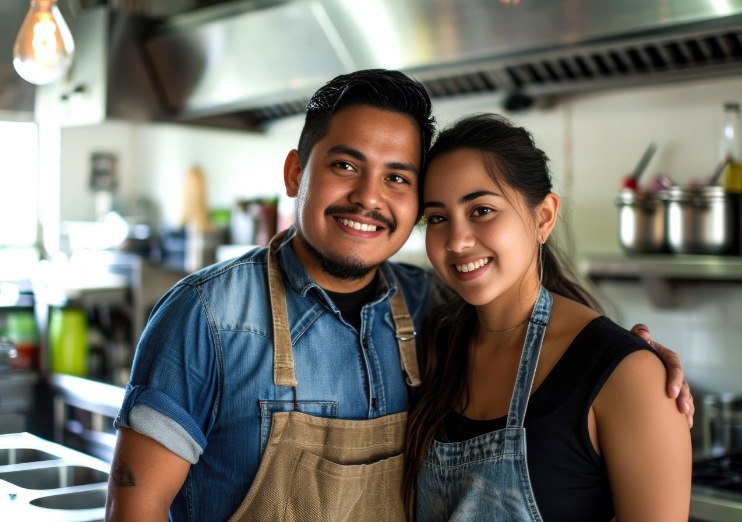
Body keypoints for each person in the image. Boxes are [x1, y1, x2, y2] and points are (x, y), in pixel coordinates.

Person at [105, 70, 692, 521]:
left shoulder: (429, 308)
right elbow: (135, 510)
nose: (368, 197)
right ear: (294, 173)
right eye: (344, 165)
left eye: (397, 178)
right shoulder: (208, 316)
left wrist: (628, 360)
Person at [403, 113, 692, 521]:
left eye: (482, 210)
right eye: (437, 218)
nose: (457, 241)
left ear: (543, 217)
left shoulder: (628, 375)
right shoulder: (430, 343)